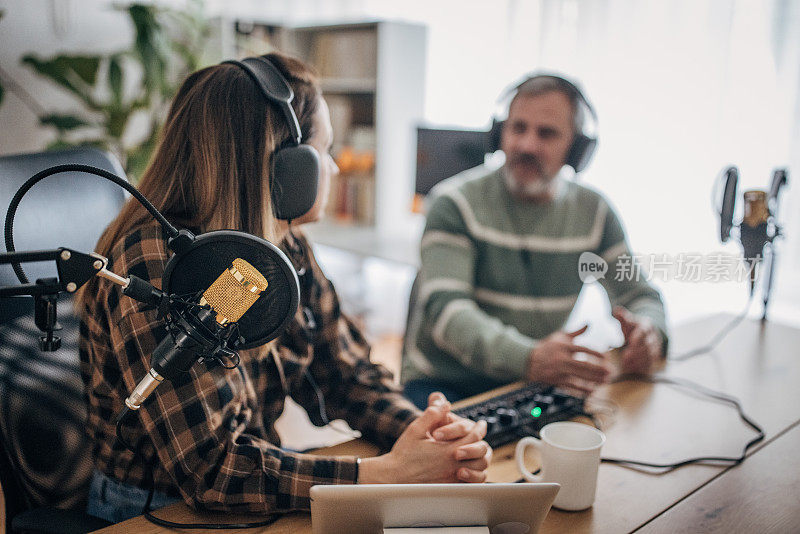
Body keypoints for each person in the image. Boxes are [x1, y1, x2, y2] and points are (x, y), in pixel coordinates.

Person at [77, 53, 491, 524]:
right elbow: (213, 470)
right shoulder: (160, 266)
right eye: (325, 152)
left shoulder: (281, 242)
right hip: (152, 511)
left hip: (250, 489)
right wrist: (384, 472)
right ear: (287, 168)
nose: (334, 169)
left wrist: (427, 434)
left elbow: (345, 373)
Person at [402, 74, 668, 409]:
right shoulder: (453, 204)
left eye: (547, 133)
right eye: (518, 128)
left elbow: (641, 295)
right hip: (443, 385)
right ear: (499, 134)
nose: (527, 145)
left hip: (528, 382)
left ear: (576, 148)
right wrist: (529, 358)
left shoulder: (595, 213)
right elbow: (448, 315)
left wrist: (650, 333)